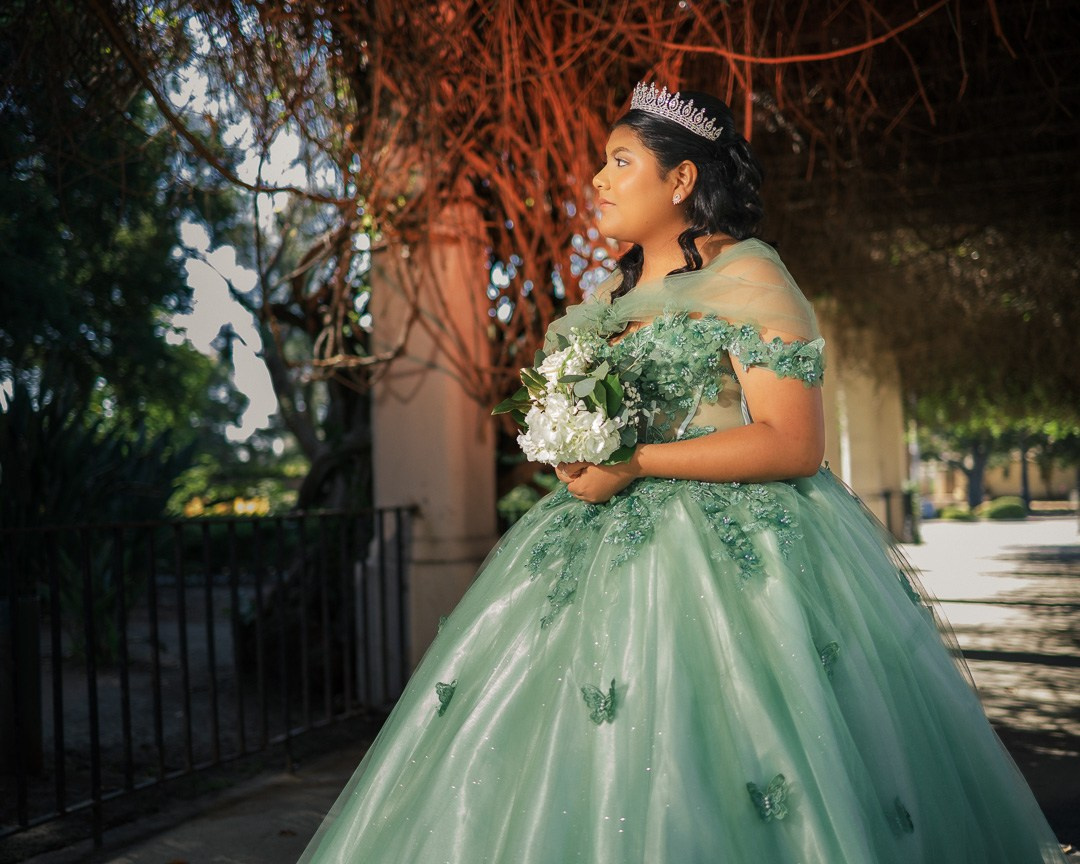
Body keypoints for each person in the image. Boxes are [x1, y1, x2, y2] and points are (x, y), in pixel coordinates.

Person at [299, 83, 1068, 863]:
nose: (596, 179)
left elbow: (793, 444)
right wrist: (578, 447)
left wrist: (633, 463)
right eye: (601, 162)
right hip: (586, 554)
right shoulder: (608, 300)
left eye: (619, 160)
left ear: (681, 180)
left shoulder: (750, 274)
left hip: (734, 560)